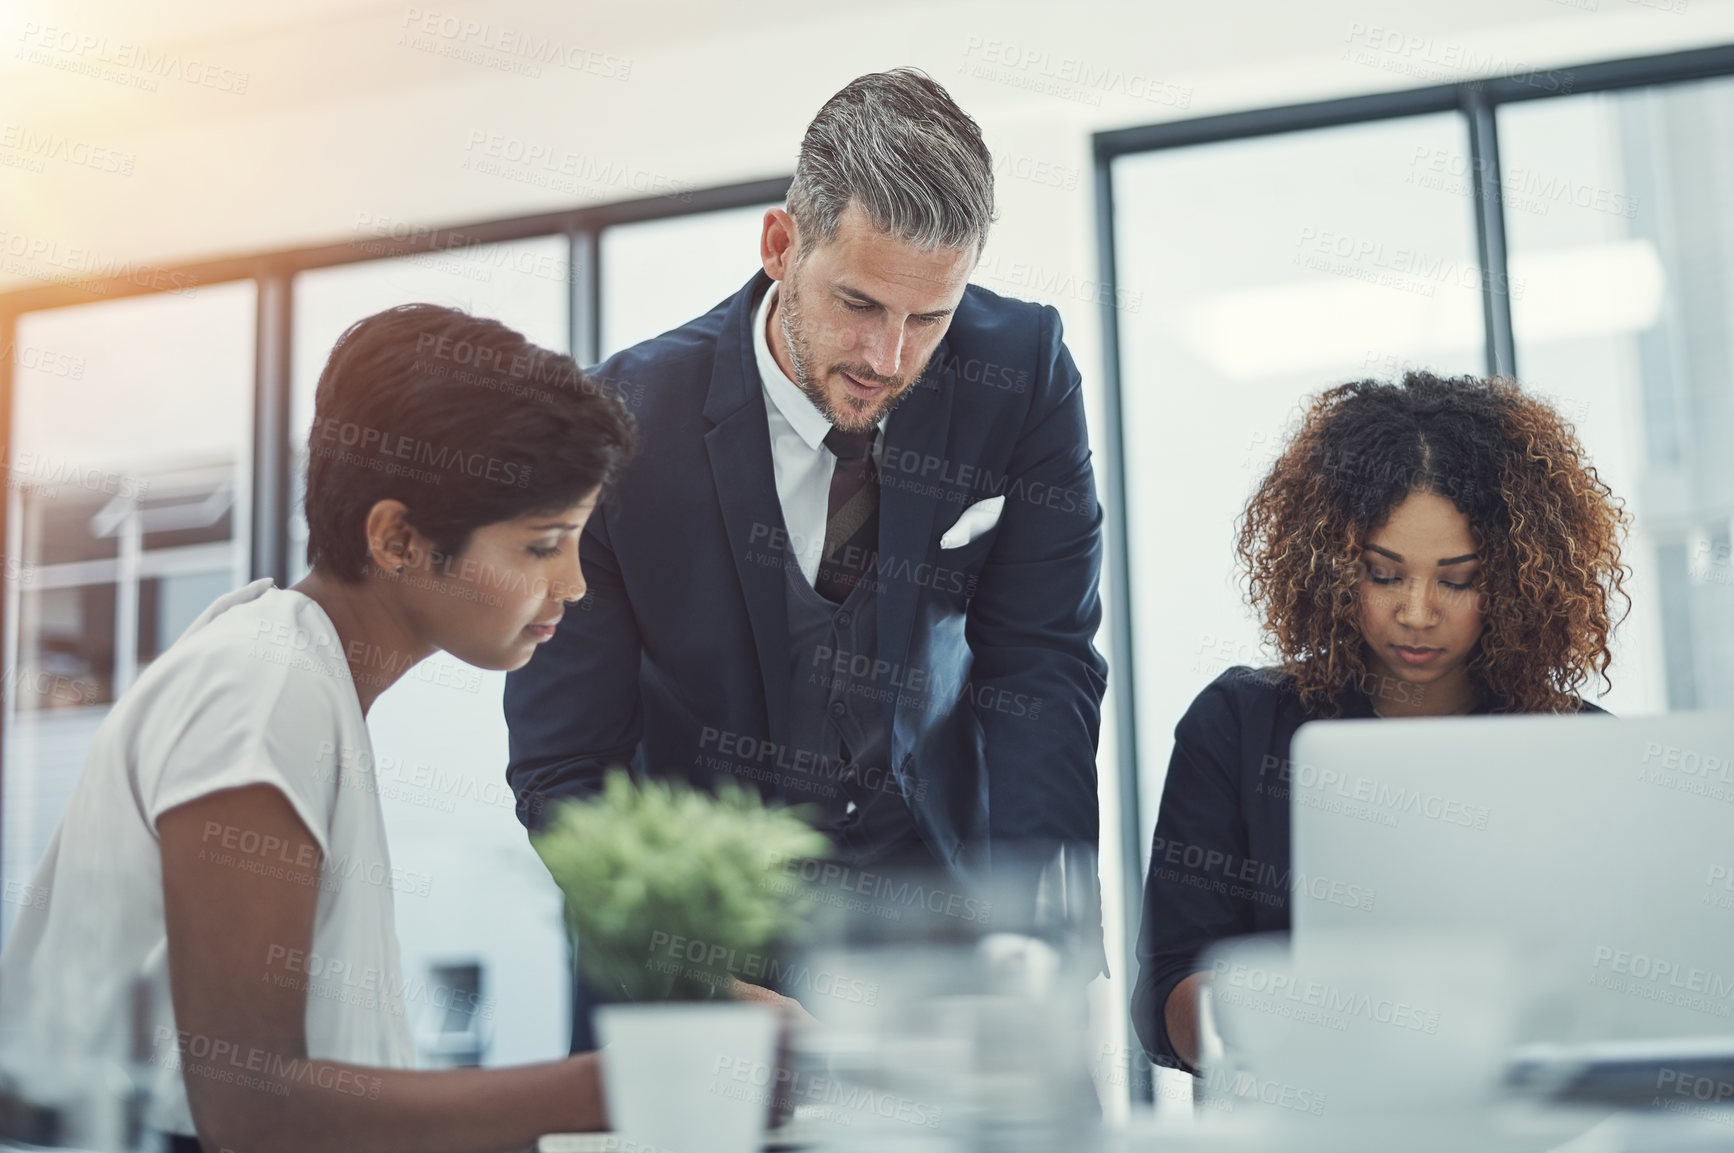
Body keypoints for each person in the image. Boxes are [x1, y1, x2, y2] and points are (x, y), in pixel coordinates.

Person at [503, 68, 1109, 1048]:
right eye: (860, 302)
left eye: (930, 319)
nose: (889, 357)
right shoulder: (624, 424)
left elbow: (1044, 665)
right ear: (782, 243)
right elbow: (567, 764)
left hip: (951, 918)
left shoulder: (1023, 371)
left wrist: (1035, 930)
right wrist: (692, 982)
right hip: (721, 946)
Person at [0, 304, 635, 1152]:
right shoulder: (261, 686)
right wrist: (610, 1083)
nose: (575, 584)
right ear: (400, 539)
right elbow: (248, 1109)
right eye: (541, 546)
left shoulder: (300, 676)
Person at [1131, 370, 1630, 1074]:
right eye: (1384, 573)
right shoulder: (1238, 727)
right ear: (1332, 565)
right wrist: (1299, 1019)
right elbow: (1168, 996)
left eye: (1458, 579)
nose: (1418, 611)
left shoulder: (1584, 751)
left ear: (1517, 577)